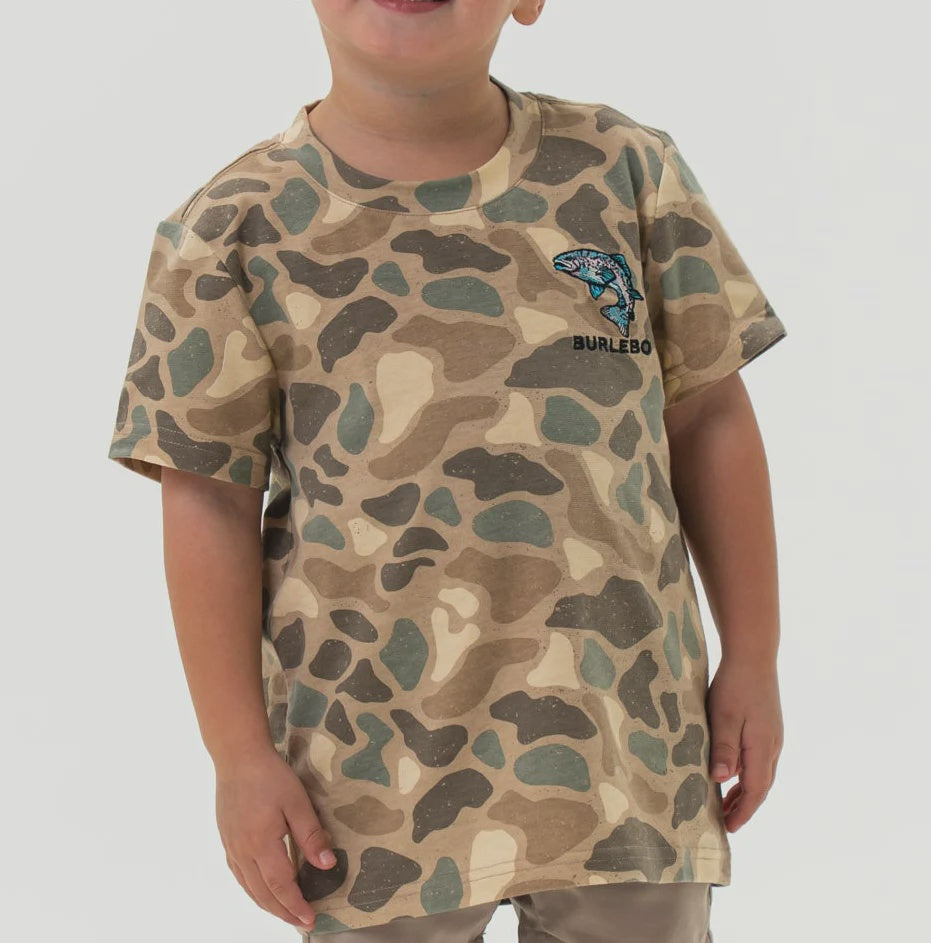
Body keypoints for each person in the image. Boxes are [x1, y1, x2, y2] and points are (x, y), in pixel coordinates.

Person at [106, 1, 786, 939]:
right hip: (366, 779)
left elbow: (707, 417)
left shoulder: (624, 171)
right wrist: (237, 754)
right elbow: (208, 502)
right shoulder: (226, 230)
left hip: (625, 748)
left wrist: (754, 656)